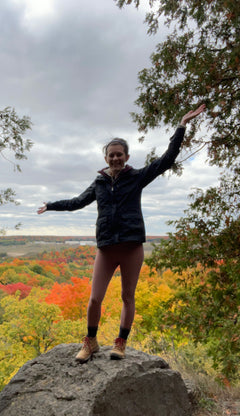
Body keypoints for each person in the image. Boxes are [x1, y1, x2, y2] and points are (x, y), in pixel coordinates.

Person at [37, 104, 206, 362]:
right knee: (94, 299)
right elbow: (77, 202)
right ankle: (91, 341)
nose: (115, 158)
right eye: (111, 155)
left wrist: (181, 126)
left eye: (119, 154)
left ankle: (120, 343)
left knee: (128, 296)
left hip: (131, 247)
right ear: (106, 159)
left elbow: (167, 159)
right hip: (106, 247)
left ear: (126, 157)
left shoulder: (137, 177)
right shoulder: (99, 183)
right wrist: (51, 205)